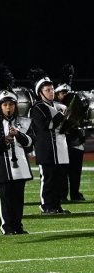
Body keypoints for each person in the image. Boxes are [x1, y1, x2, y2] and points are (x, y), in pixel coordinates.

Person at [0, 81, 35, 235]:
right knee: (5, 200)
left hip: (20, 167)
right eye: (5, 104)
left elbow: (30, 144)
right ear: (0, 106)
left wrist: (18, 135)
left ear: (15, 105)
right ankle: (6, 226)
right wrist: (3, 141)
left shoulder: (25, 122)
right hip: (2, 168)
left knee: (18, 200)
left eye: (11, 104)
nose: (8, 108)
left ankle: (17, 225)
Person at [28, 69, 71, 214]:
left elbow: (65, 126)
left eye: (52, 89)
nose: (51, 92)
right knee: (48, 179)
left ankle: (57, 205)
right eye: (47, 90)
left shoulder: (57, 106)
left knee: (59, 180)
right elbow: (47, 125)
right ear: (40, 92)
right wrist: (61, 115)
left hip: (61, 148)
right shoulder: (37, 108)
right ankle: (46, 205)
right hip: (46, 150)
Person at [54, 66, 85, 202]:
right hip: (62, 141)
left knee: (75, 171)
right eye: (62, 92)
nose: (65, 95)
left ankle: (75, 194)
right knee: (62, 171)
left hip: (76, 140)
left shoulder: (76, 101)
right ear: (57, 93)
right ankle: (62, 195)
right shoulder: (54, 106)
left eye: (67, 92)